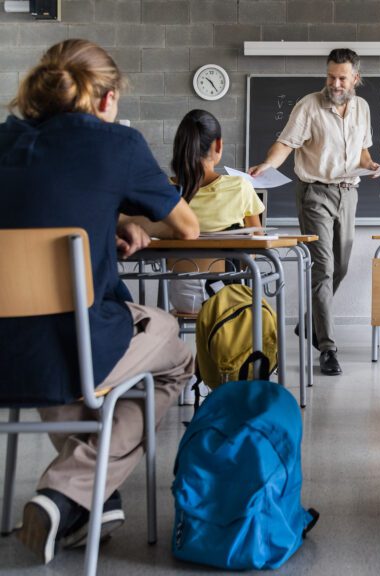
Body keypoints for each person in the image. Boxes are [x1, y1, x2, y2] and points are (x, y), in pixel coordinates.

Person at [0, 39, 199, 564]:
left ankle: (98, 502)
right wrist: (129, 218)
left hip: (9, 354)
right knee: (175, 357)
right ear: (107, 98)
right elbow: (187, 226)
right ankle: (68, 492)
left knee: (56, 345)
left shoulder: (4, 140)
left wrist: (105, 220)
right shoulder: (117, 144)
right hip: (77, 344)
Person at [248, 48, 379, 376]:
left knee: (342, 266)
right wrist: (267, 164)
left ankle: (309, 323)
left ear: (355, 79)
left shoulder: (362, 108)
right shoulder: (308, 105)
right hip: (314, 193)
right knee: (323, 267)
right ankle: (328, 348)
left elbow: (362, 150)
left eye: (342, 78)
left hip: (349, 192)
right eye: (331, 76)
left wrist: (371, 165)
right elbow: (286, 144)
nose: (335, 83)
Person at [168, 109, 265, 315]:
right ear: (218, 145)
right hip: (228, 298)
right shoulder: (240, 187)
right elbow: (257, 243)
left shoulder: (166, 191)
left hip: (184, 298)